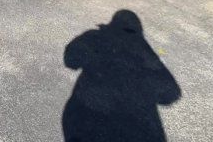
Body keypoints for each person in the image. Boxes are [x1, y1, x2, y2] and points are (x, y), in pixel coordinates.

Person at [62, 10, 181, 142]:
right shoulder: (143, 50)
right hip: (132, 129)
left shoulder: (95, 37)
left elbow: (70, 61)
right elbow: (170, 94)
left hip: (86, 120)